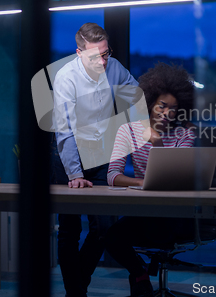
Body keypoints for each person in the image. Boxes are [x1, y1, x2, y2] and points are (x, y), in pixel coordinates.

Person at [51, 23, 140, 297]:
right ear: (79, 53)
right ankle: (75, 293)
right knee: (70, 229)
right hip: (69, 154)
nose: (102, 61)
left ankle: (77, 286)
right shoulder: (66, 78)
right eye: (95, 56)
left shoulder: (113, 66)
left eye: (105, 53)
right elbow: (64, 130)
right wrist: (75, 174)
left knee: (105, 226)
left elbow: (135, 94)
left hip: (100, 154)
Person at [105, 63, 196, 297]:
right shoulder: (128, 130)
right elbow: (112, 175)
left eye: (173, 109)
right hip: (144, 211)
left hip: (175, 215)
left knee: (156, 231)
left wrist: (157, 143)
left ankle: (141, 279)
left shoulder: (185, 133)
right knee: (109, 237)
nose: (167, 113)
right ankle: (140, 272)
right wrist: (142, 184)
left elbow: (178, 176)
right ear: (150, 103)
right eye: (162, 106)